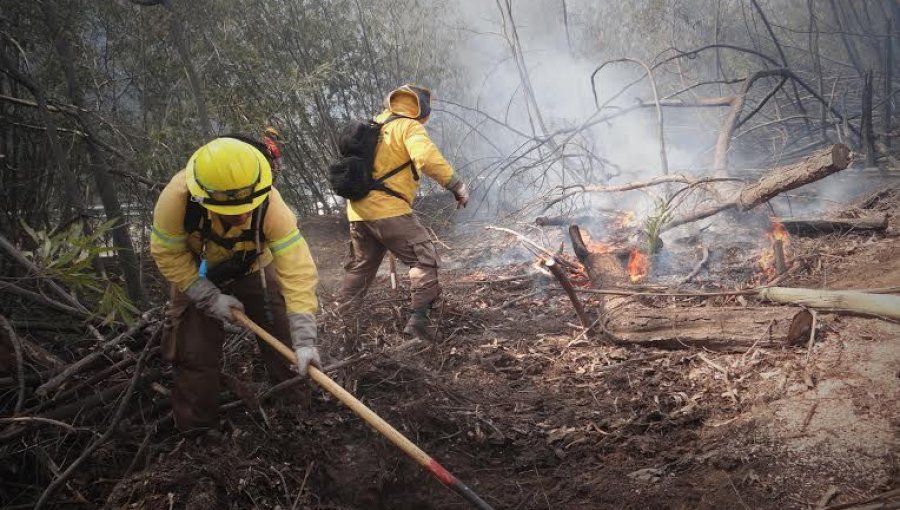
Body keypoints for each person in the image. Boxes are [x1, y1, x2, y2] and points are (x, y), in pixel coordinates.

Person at [150, 136, 319, 432]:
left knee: (283, 338)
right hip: (195, 273)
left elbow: (297, 267)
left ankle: (297, 414)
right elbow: (167, 253)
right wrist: (207, 296)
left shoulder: (271, 203)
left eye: (248, 207)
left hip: (253, 266)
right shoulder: (176, 200)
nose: (243, 216)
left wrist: (305, 339)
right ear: (206, 198)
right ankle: (198, 431)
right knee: (193, 352)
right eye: (233, 211)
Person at [335, 84, 469, 340]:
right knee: (424, 258)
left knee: (360, 269)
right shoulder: (408, 126)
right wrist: (456, 185)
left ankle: (341, 324)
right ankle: (420, 323)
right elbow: (427, 158)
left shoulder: (373, 125)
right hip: (389, 211)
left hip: (357, 212)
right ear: (422, 109)